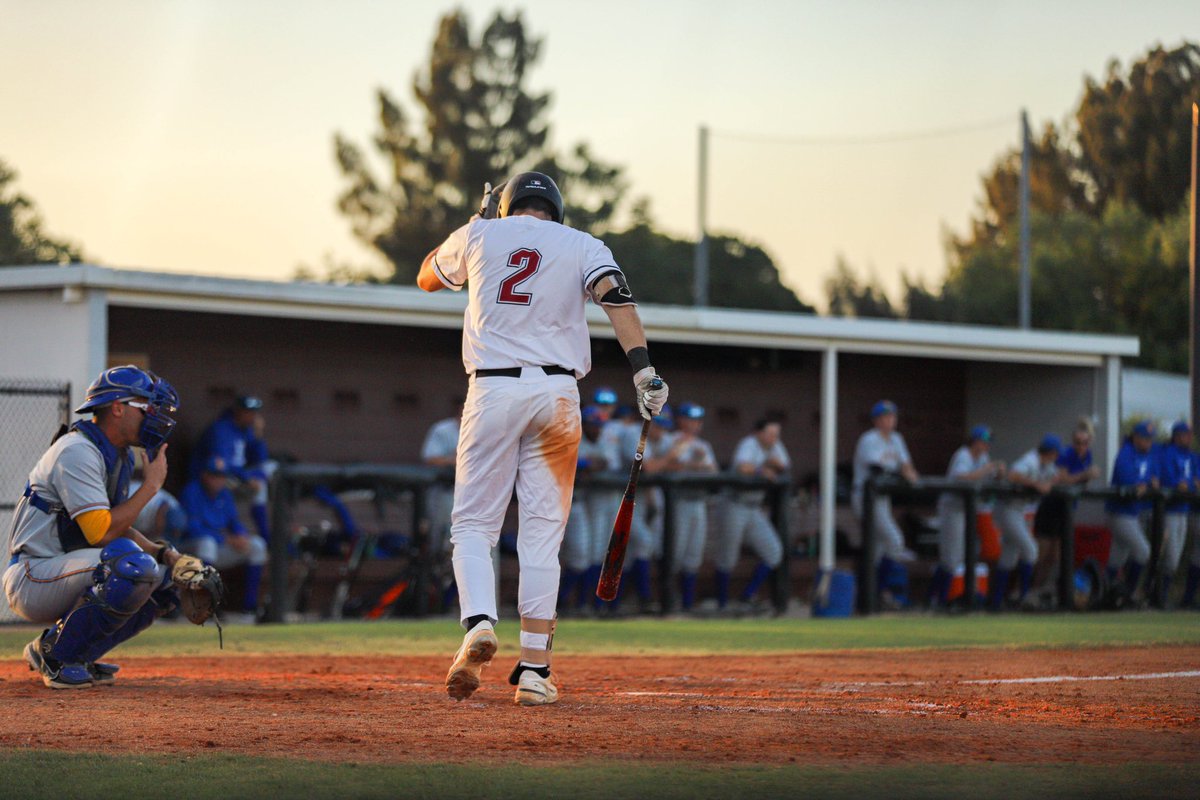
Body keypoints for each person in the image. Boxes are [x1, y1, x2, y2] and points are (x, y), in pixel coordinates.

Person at [416, 171, 668, 706]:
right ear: (556, 207)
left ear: (507, 206)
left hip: (492, 389)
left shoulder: (480, 233)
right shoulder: (583, 244)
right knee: (542, 537)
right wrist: (643, 372)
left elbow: (426, 279)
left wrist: (477, 224)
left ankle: (480, 623)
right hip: (557, 394)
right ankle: (534, 670)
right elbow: (616, 299)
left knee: (473, 526)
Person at [3, 365, 182, 689]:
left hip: (65, 569)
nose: (154, 415)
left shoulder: (117, 455)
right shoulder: (77, 451)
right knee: (128, 567)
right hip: (33, 574)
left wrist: (163, 553)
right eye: (146, 407)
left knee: (165, 580)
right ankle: (56, 656)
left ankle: (77, 653)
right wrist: (151, 487)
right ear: (118, 408)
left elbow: (116, 525)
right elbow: (101, 532)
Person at [179, 456, 268, 620]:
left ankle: (249, 609)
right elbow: (192, 528)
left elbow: (233, 522)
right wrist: (226, 539)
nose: (218, 480)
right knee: (208, 543)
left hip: (217, 549)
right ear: (205, 475)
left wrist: (242, 536)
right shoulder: (192, 491)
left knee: (257, 545)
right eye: (214, 475)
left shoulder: (224, 494)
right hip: (191, 550)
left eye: (221, 476)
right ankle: (207, 605)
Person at [714, 419, 788, 615]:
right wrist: (761, 469)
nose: (774, 438)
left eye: (776, 434)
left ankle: (746, 596)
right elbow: (742, 467)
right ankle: (721, 604)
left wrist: (771, 463)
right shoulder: (749, 444)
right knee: (727, 557)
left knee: (774, 552)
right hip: (733, 503)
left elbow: (784, 465)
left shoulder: (774, 446)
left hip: (754, 508)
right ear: (758, 433)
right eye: (770, 434)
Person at [851, 401, 919, 607]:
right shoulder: (868, 439)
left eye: (892, 416)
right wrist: (904, 471)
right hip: (865, 496)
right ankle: (879, 591)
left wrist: (908, 470)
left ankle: (872, 596)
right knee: (895, 540)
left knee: (878, 550)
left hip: (882, 498)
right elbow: (878, 467)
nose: (890, 420)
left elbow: (906, 463)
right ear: (876, 420)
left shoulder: (896, 439)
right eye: (885, 416)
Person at [931, 425, 1005, 607]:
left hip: (965, 510)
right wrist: (987, 469)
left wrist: (998, 473)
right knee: (952, 556)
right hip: (951, 508)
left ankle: (936, 598)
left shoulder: (983, 458)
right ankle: (938, 600)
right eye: (984, 442)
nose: (987, 446)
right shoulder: (963, 454)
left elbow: (990, 479)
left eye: (988, 443)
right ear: (975, 442)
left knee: (957, 556)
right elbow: (962, 477)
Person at [654, 402, 718, 612]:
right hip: (676, 504)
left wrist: (703, 466)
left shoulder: (703, 445)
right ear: (680, 420)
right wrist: (693, 466)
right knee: (675, 554)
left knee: (693, 555)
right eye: (690, 419)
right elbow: (661, 466)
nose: (694, 424)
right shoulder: (669, 440)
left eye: (697, 420)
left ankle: (688, 605)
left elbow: (715, 473)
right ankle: (668, 602)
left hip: (698, 504)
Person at [190, 395, 275, 543]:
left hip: (236, 476)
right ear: (238, 411)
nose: (252, 417)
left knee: (271, 467)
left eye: (254, 413)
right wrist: (247, 477)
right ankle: (265, 534)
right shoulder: (221, 429)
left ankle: (267, 535)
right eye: (248, 412)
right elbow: (221, 464)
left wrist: (258, 436)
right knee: (259, 486)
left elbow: (260, 460)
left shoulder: (246, 430)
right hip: (214, 477)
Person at [991, 435, 1061, 609]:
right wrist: (1036, 484)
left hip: (1018, 511)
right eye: (1055, 453)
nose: (1057, 456)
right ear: (1050, 452)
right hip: (1007, 509)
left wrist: (1050, 482)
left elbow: (1056, 476)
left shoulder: (1047, 464)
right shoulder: (1031, 460)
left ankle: (996, 601)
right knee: (1030, 550)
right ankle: (1024, 598)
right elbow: (1013, 475)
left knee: (1009, 555)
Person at [1105, 420, 1159, 601]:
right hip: (1119, 512)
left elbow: (1153, 478)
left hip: (1133, 513)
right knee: (1143, 552)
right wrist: (1141, 486)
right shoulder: (1125, 453)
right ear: (1135, 437)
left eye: (1150, 439)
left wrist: (1151, 484)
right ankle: (1127, 593)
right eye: (1145, 438)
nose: (1148, 442)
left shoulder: (1149, 454)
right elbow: (1128, 482)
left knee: (1117, 558)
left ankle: (1106, 594)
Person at [1155, 421, 1194, 607]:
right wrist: (1183, 484)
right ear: (1177, 435)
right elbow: (1170, 479)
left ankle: (1163, 596)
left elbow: (1195, 480)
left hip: (1183, 510)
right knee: (1170, 557)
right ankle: (1158, 596)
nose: (1189, 438)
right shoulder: (1168, 453)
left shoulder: (1191, 456)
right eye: (1186, 434)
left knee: (1176, 558)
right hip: (1168, 511)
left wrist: (1190, 485)